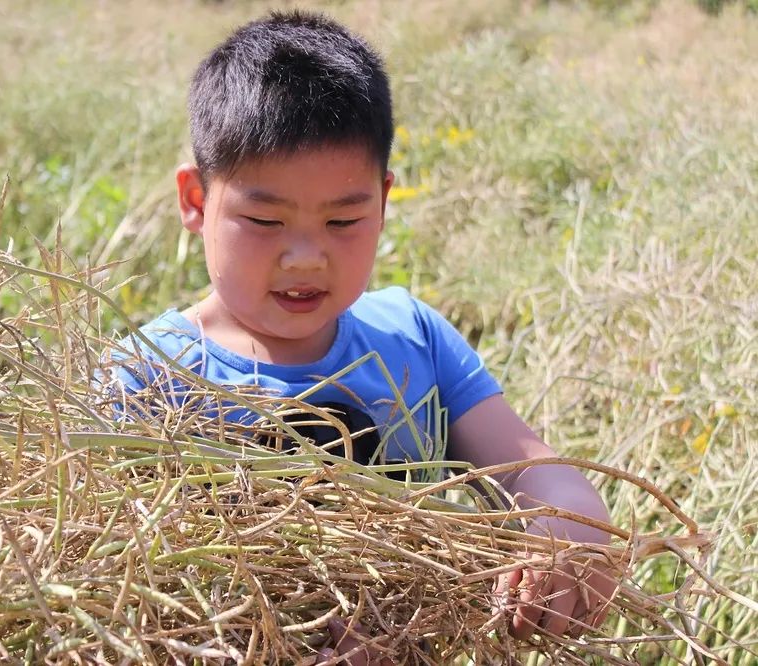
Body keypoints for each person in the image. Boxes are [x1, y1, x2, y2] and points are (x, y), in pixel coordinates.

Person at [110, 9, 617, 663]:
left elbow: (539, 475)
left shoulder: (412, 338)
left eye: (344, 220)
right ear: (195, 200)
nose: (304, 258)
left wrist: (566, 528)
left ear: (383, 201)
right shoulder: (145, 378)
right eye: (264, 219)